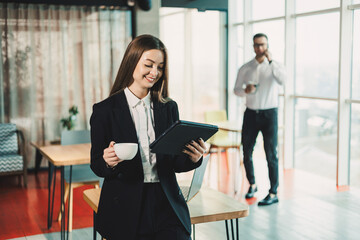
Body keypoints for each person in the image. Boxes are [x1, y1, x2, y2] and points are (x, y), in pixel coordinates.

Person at [90, 34, 206, 240]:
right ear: (132, 61)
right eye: (149, 65)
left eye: (160, 67)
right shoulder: (105, 110)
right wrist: (107, 161)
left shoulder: (168, 107)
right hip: (125, 206)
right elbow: (97, 164)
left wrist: (193, 158)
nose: (155, 72)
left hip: (166, 203)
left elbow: (175, 163)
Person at [234, 33, 286, 206]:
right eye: (256, 45)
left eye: (262, 45)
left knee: (271, 154)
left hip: (270, 114)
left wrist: (271, 62)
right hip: (250, 114)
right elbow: (236, 90)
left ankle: (273, 192)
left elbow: (282, 81)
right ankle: (252, 185)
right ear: (253, 46)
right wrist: (245, 91)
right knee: (246, 151)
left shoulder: (275, 66)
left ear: (267, 45)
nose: (260, 48)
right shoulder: (246, 67)